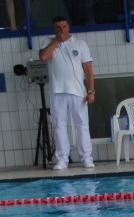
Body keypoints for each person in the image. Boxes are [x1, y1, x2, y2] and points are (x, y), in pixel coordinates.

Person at [39, 16, 96, 170]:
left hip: (78, 92)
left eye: (64, 26)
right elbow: (43, 57)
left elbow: (89, 70)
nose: (61, 30)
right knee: (59, 126)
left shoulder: (80, 44)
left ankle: (86, 158)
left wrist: (91, 91)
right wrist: (57, 41)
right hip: (57, 92)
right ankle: (62, 159)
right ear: (54, 29)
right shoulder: (48, 42)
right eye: (58, 27)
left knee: (82, 125)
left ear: (68, 27)